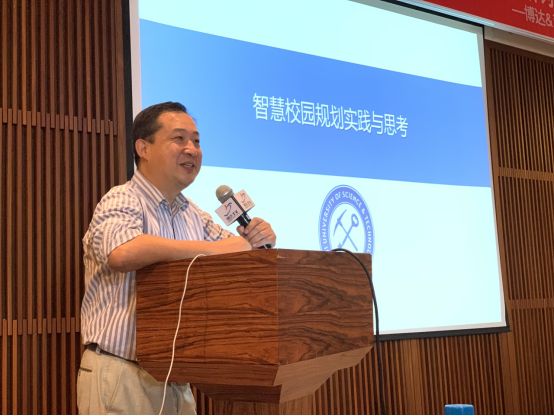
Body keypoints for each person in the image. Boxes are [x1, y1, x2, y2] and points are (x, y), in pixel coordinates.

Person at [77, 102, 277, 415]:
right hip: (121, 374)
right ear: (143, 148)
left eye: (196, 141)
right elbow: (122, 252)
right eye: (179, 139)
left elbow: (239, 255)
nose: (192, 149)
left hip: (177, 378)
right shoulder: (122, 198)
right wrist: (213, 249)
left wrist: (259, 240)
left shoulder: (193, 213)